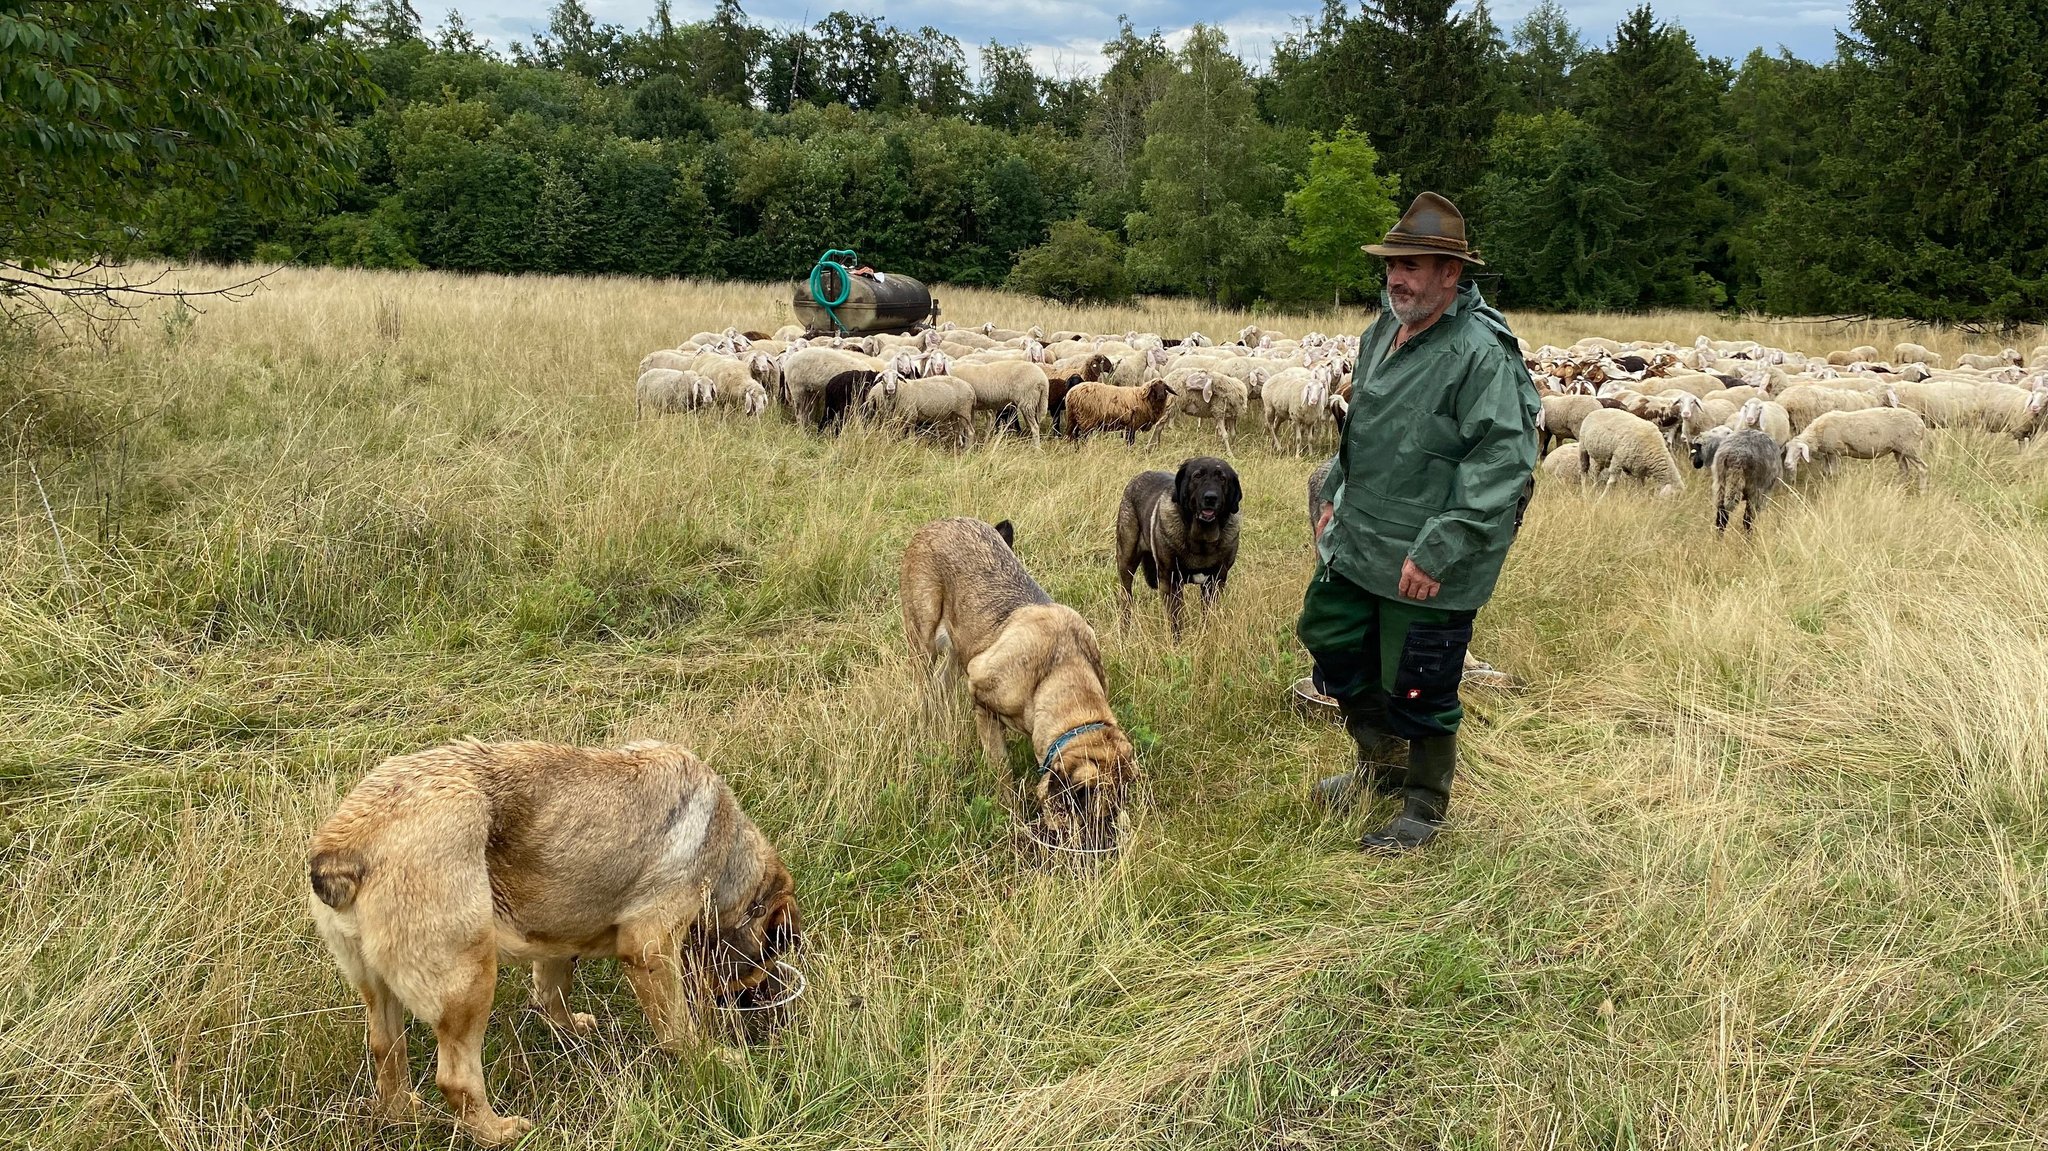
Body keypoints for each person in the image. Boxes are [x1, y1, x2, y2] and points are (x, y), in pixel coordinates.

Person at [1299, 191, 1539, 853]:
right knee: (1330, 633)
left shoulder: (1480, 353)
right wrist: (1334, 492)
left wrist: (1440, 548)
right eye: (1392, 265)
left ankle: (1423, 808)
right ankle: (1380, 765)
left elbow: (1503, 462)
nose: (1397, 277)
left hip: (1431, 546)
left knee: (1419, 676)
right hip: (1363, 532)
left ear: (1451, 273)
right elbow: (1367, 425)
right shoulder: (1383, 330)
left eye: (1413, 265)